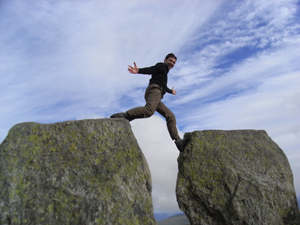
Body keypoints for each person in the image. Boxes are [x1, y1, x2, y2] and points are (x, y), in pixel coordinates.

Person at [110, 53, 185, 152]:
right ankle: (123, 115)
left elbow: (163, 85)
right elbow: (151, 69)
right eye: (170, 60)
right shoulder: (161, 66)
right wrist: (139, 70)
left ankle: (178, 141)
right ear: (165, 60)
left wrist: (171, 91)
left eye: (174, 62)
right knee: (149, 111)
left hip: (157, 95)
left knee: (170, 116)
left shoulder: (164, 73)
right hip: (154, 91)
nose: (172, 63)